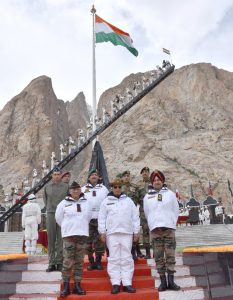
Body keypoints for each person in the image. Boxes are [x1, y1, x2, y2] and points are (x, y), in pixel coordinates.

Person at [98, 178, 140, 294]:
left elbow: (135, 217)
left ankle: (127, 283)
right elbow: (101, 218)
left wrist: (136, 232)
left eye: (119, 187)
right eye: (115, 187)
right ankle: (115, 283)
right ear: (112, 188)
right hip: (112, 234)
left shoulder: (128, 201)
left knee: (127, 258)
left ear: (122, 188)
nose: (117, 189)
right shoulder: (106, 201)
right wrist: (102, 232)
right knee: (114, 259)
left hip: (127, 233)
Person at [143, 170, 180, 292]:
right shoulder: (147, 196)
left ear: (162, 181)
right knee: (158, 256)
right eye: (154, 180)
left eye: (158, 179)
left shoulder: (170, 194)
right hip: (155, 230)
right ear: (152, 182)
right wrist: (153, 224)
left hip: (168, 229)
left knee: (170, 255)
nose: (157, 181)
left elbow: (176, 210)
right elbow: (147, 212)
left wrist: (171, 223)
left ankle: (171, 281)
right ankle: (163, 281)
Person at [55, 181, 92, 297]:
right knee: (67, 262)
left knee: (79, 262)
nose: (75, 191)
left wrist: (80, 226)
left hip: (82, 235)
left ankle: (77, 285)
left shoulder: (86, 202)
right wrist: (68, 227)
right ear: (70, 191)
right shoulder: (63, 203)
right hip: (69, 236)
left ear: (80, 190)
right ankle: (66, 286)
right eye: (73, 189)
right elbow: (58, 218)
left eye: (77, 189)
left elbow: (89, 217)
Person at [82, 168, 109, 270]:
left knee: (100, 242)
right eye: (92, 175)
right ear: (89, 177)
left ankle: (98, 262)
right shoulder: (83, 189)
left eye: (95, 175)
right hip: (88, 220)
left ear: (98, 177)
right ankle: (91, 262)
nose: (94, 176)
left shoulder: (104, 189)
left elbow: (107, 203)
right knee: (88, 242)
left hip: (100, 219)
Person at [43, 166, 69, 272]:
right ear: (51, 175)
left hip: (62, 214)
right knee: (51, 238)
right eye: (55, 174)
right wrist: (50, 209)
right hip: (50, 213)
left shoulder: (66, 187)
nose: (57, 176)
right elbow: (45, 200)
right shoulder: (47, 187)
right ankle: (51, 263)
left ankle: (59, 262)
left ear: (61, 175)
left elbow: (68, 200)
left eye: (58, 174)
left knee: (60, 239)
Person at [121, 170, 142, 260]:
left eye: (128, 176)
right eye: (125, 176)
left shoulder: (135, 187)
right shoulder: (118, 187)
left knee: (134, 232)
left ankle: (134, 252)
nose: (126, 177)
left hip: (132, 214)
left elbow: (139, 200)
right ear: (122, 177)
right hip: (122, 215)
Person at [137, 167, 152, 259]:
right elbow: (137, 198)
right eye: (143, 172)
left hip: (154, 211)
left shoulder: (153, 183)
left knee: (155, 231)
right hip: (143, 212)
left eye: (146, 172)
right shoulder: (139, 185)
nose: (145, 173)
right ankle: (147, 253)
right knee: (145, 232)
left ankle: (156, 251)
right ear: (141, 174)